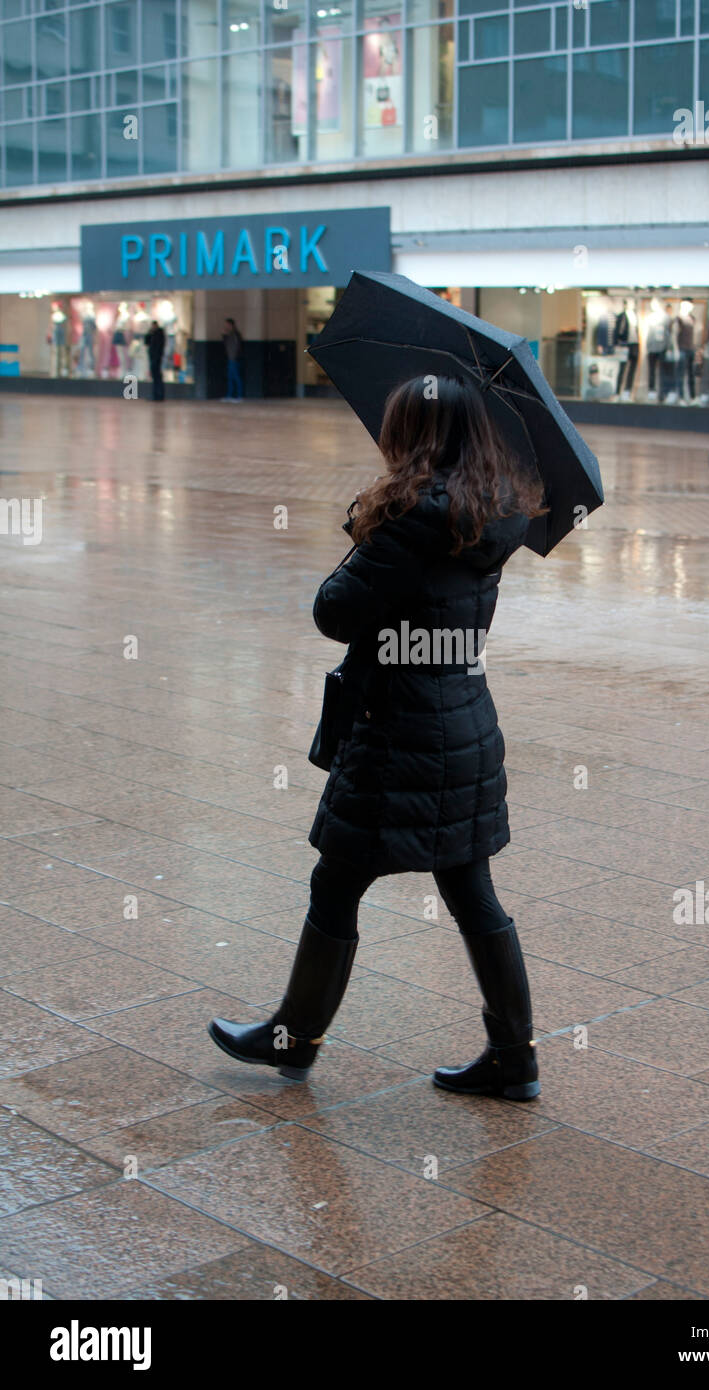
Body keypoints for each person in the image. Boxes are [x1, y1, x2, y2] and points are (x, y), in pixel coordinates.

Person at [208, 374, 547, 1101]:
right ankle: (512, 1057)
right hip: (462, 720)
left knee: (337, 879)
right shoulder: (488, 513)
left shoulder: (412, 518)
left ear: (411, 435)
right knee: (470, 889)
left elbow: (334, 611)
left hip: (398, 732)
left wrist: (365, 532)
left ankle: (293, 1040)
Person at [222, 317, 244, 400]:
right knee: (230, 378)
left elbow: (238, 347)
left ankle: (239, 396)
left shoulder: (235, 334)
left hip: (234, 359)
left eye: (227, 324)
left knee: (236, 377)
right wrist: (224, 335)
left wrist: (235, 357)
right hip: (230, 358)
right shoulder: (229, 334)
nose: (226, 326)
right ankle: (229, 395)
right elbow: (226, 343)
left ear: (231, 325)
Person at [144, 320, 165, 402]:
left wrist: (157, 357)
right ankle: (155, 395)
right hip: (153, 357)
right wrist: (149, 333)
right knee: (155, 376)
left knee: (157, 376)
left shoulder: (159, 334)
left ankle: (159, 395)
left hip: (156, 358)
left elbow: (159, 347)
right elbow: (147, 342)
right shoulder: (152, 333)